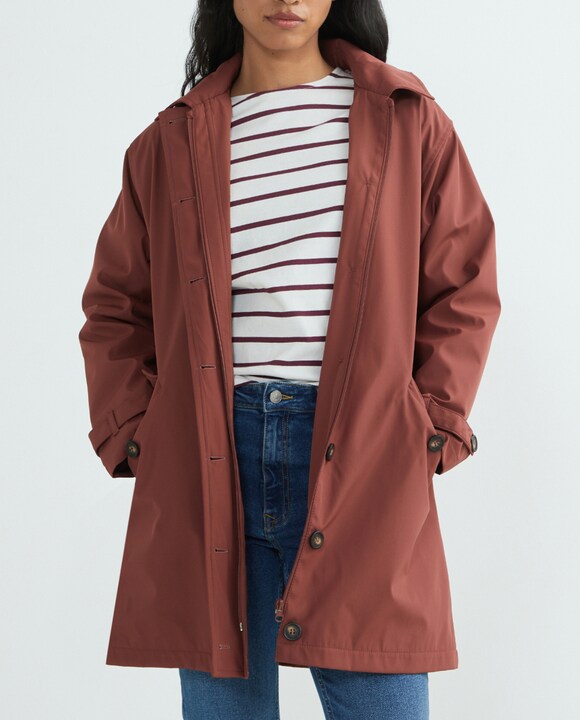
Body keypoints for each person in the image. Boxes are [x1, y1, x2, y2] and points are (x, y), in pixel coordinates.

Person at [78, 1, 501, 718]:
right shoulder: (169, 143)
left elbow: (464, 283)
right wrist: (137, 436)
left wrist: (431, 425)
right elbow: (116, 305)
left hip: (363, 456)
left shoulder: (405, 119)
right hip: (214, 461)